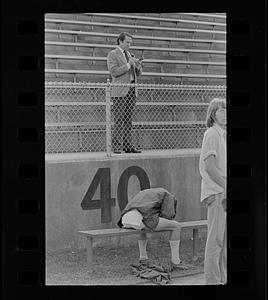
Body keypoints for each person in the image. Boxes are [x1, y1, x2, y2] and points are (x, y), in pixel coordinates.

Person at [117, 187, 190, 270]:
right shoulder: (169, 196)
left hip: (126, 219)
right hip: (141, 218)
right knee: (176, 226)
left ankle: (143, 258)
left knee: (142, 228)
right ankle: (176, 262)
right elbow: (168, 215)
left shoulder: (147, 192)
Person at [199, 98, 227, 285]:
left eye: (226, 110)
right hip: (217, 192)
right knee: (215, 241)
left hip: (222, 192)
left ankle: (221, 280)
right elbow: (209, 166)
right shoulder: (212, 134)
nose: (224, 113)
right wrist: (226, 186)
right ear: (212, 114)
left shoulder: (222, 135)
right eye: (220, 110)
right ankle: (212, 282)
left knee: (223, 243)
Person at [107, 32, 143, 154]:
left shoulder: (130, 54)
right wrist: (128, 65)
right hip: (120, 91)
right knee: (119, 119)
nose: (129, 45)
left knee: (128, 119)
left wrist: (137, 66)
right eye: (127, 42)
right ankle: (116, 145)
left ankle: (128, 145)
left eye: (130, 43)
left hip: (131, 89)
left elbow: (138, 74)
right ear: (120, 41)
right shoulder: (113, 54)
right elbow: (114, 72)